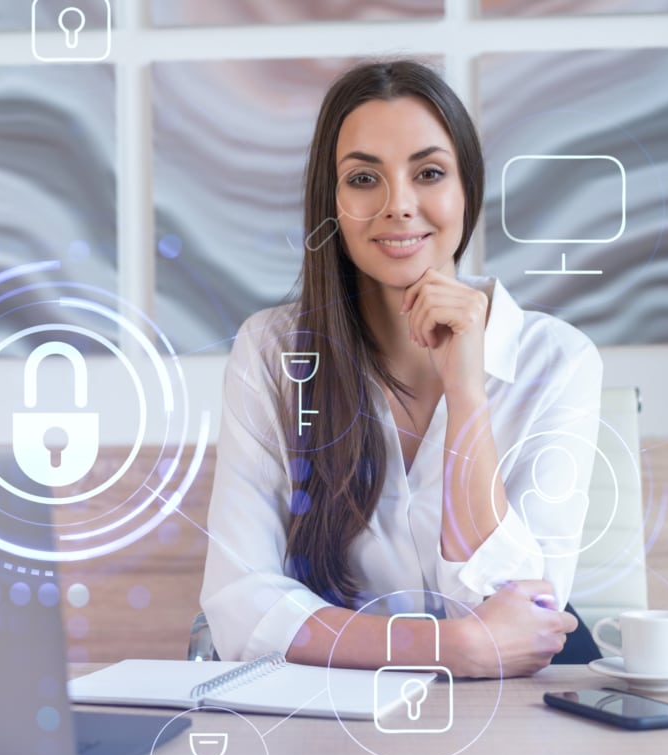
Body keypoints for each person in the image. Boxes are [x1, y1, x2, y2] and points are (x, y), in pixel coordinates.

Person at [200, 60, 602, 678]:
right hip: (331, 725)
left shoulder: (558, 361)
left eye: (429, 173)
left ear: (467, 188)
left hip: (510, 727)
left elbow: (526, 612)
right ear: (331, 201)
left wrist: (467, 394)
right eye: (364, 178)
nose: (399, 205)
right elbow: (243, 605)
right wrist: (454, 649)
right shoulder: (274, 355)